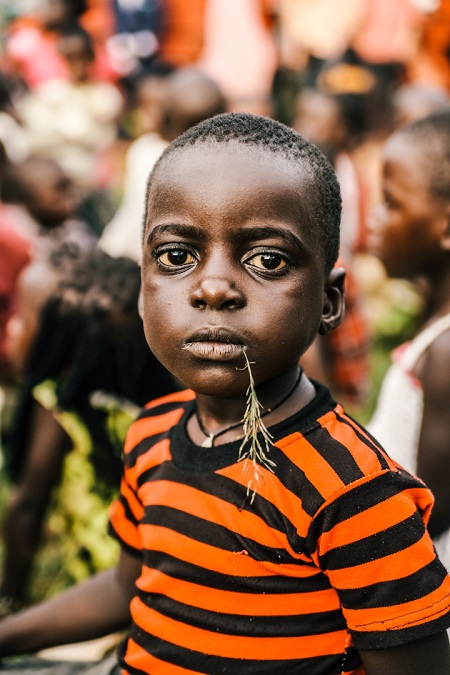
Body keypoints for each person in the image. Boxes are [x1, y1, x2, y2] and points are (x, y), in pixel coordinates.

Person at [0, 112, 449, 674]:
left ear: (329, 302)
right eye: (175, 257)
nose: (212, 287)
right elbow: (129, 585)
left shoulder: (356, 493)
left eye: (266, 260)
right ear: (143, 291)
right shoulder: (151, 436)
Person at [0, 245, 178, 614]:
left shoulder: (60, 407)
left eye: (28, 316)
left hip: (95, 588)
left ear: (66, 342)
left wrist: (10, 599)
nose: (13, 326)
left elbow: (28, 508)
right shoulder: (163, 406)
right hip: (155, 580)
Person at [366, 110, 450, 572]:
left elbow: (429, 514)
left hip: (422, 601)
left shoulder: (446, 351)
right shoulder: (432, 328)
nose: (374, 220)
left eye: (391, 204)